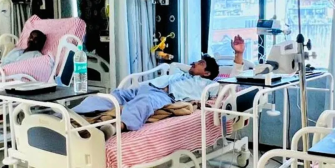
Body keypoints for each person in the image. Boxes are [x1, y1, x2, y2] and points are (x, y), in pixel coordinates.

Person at [73, 35, 246, 132]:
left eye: (200, 63)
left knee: (144, 103)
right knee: (108, 97)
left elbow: (233, 82)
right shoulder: (180, 73)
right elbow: (173, 68)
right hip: (144, 88)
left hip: (163, 96)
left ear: (207, 73)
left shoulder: (209, 86)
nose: (194, 63)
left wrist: (238, 55)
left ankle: (116, 127)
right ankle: (70, 116)